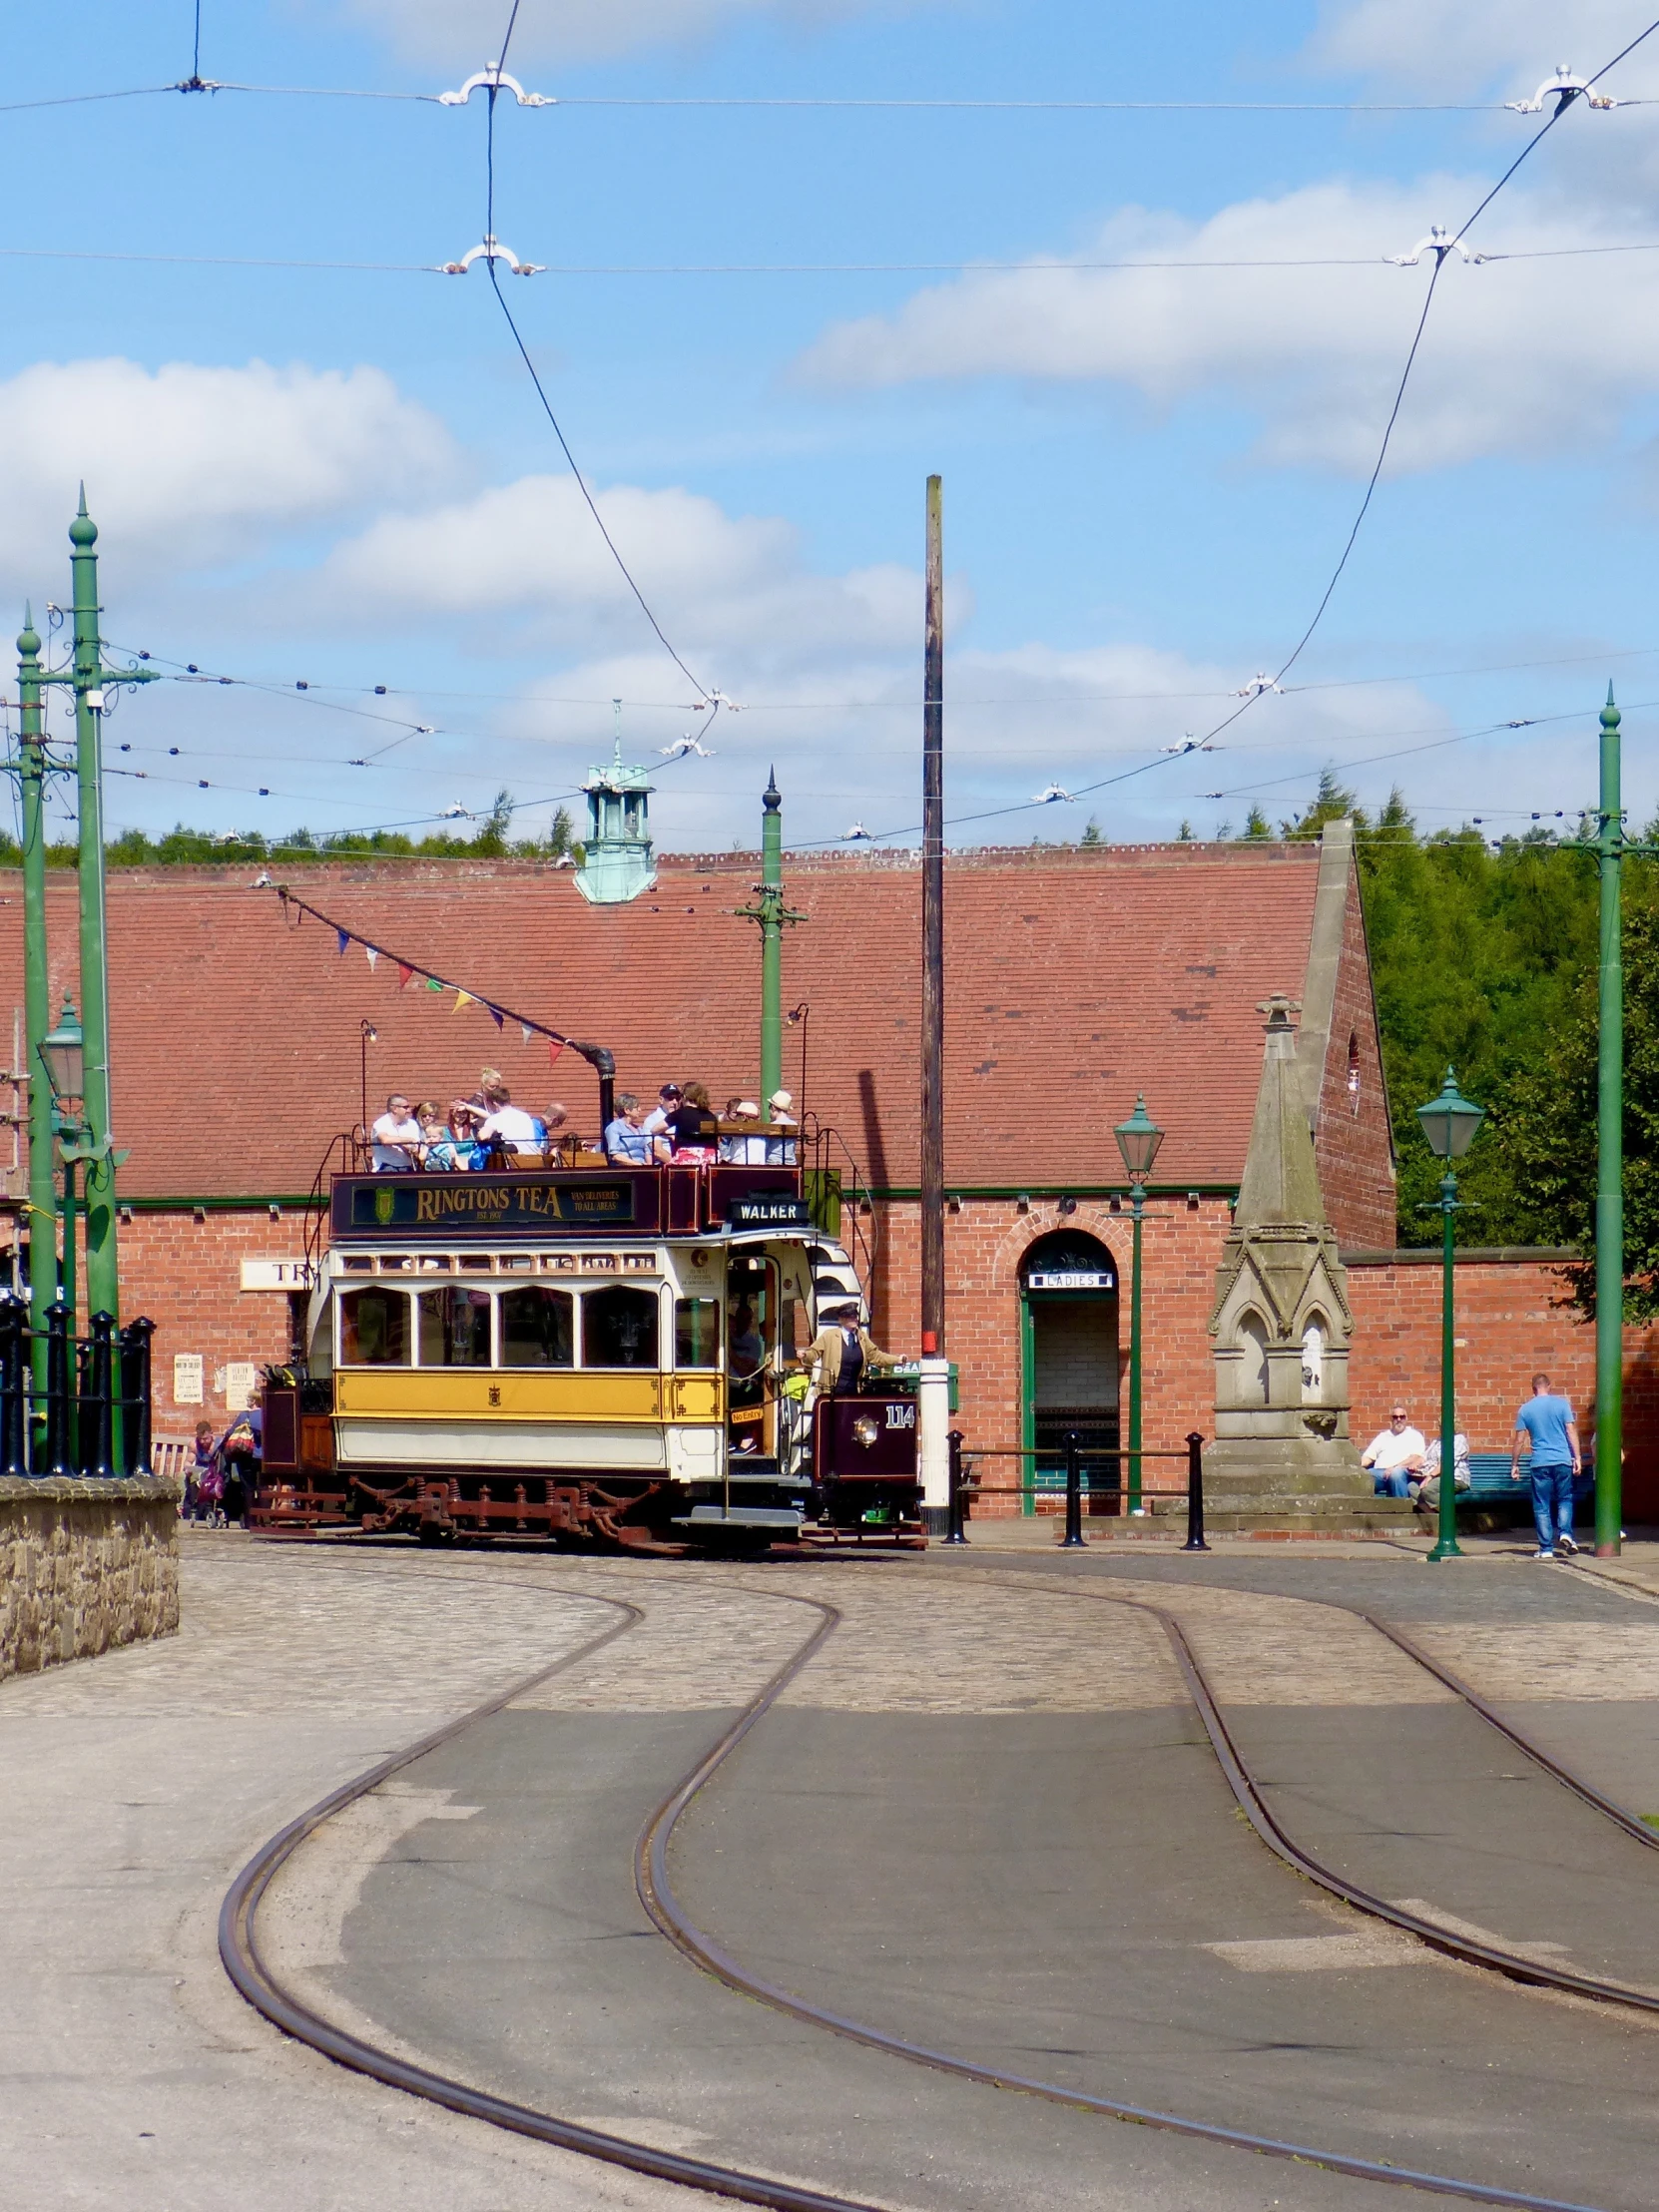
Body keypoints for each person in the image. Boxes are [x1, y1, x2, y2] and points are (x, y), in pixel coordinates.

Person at [1511, 1373, 1582, 1559]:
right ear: (1549, 1386)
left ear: (1533, 1388)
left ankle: (1546, 1549)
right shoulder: (1562, 1405)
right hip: (1562, 1460)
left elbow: (1519, 1440)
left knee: (1542, 1506)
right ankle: (1565, 1532)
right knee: (1564, 1498)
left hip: (1540, 1462)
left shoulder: (1525, 1409)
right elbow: (1571, 1431)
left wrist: (1515, 1464)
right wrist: (1577, 1457)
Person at [803, 1299, 897, 1397]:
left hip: (853, 1392)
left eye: (855, 1316)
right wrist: (805, 1355)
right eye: (850, 1317)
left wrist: (897, 1359)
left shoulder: (862, 1337)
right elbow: (813, 1352)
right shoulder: (829, 1336)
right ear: (841, 1319)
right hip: (831, 1393)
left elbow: (876, 1356)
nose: (854, 1319)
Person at [1360, 1404, 1426, 1498]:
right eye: (1395, 1417)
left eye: (1402, 1417)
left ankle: (1403, 1510)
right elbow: (1368, 1457)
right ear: (1391, 1419)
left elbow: (1415, 1458)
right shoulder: (1383, 1436)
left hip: (1402, 1472)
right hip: (1380, 1474)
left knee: (1396, 1474)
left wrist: (1394, 1468)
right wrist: (1354, 1467)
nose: (1399, 1419)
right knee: (1361, 1476)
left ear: (1406, 1418)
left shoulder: (1414, 1435)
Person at [475, 1087, 544, 1157]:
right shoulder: (525, 1116)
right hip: (534, 1159)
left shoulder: (494, 1119)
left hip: (515, 1160)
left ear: (495, 1104)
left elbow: (483, 1136)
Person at [1415, 1430, 1471, 1511]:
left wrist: (1430, 1476)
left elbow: (1448, 1462)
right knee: (1412, 1487)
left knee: (1428, 1489)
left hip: (1455, 1478)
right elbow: (1425, 1456)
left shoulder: (1459, 1439)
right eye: (1440, 1426)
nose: (1441, 1428)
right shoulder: (1438, 1440)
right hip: (1437, 1478)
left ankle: (1449, 1518)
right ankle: (1433, 1517)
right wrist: (1415, 1464)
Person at [368, 1092, 421, 1172]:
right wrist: (409, 1139)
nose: (409, 1110)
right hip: (385, 1167)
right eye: (405, 1107)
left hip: (407, 1167)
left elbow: (415, 1148)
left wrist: (403, 1145)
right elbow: (385, 1140)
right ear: (395, 1109)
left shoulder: (412, 1124)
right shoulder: (381, 1123)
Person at [668, 1081, 720, 1160]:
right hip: (710, 1160)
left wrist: (667, 1134)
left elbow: (654, 1130)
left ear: (684, 1097)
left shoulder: (680, 1113)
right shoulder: (710, 1116)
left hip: (687, 1159)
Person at [604, 1093, 655, 1165]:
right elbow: (615, 1155)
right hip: (625, 1170)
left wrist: (650, 1167)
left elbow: (647, 1152)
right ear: (627, 1110)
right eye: (636, 1107)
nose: (640, 1110)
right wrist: (637, 1165)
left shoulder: (640, 1129)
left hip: (643, 1168)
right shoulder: (613, 1128)